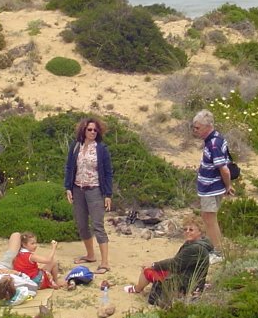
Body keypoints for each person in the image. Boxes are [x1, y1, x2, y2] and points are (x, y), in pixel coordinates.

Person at [64, 116, 114, 274]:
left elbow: (107, 172)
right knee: (81, 224)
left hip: (95, 190)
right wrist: (68, 188)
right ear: (83, 130)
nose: (92, 132)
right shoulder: (75, 146)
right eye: (89, 129)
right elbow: (69, 168)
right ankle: (90, 255)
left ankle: (105, 262)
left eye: (95, 130)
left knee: (98, 225)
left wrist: (108, 194)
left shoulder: (101, 149)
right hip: (78, 189)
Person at [123, 217, 213, 304]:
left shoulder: (195, 248)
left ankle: (137, 289)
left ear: (200, 231)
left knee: (147, 270)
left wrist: (154, 265)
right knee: (154, 268)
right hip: (191, 280)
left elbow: (175, 264)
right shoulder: (199, 244)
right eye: (185, 229)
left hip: (184, 283)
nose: (187, 232)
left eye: (191, 230)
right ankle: (138, 288)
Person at [191, 109, 234, 262]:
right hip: (210, 187)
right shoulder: (216, 139)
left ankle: (219, 252)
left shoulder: (214, 144)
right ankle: (214, 248)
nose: (195, 131)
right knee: (207, 216)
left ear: (208, 126)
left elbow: (224, 169)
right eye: (194, 127)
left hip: (211, 188)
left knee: (210, 218)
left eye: (198, 128)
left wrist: (228, 186)